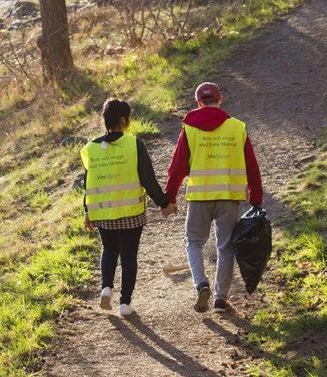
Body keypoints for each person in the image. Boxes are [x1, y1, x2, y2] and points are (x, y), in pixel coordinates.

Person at [165, 82, 263, 313]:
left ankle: (201, 284)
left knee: (193, 242)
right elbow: (252, 165)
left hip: (199, 196)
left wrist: (169, 197)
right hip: (229, 197)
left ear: (198, 102)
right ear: (220, 100)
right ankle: (220, 299)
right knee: (225, 247)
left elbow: (177, 168)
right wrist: (255, 196)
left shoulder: (189, 128)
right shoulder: (237, 128)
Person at [82, 98, 176, 316]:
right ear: (124, 119)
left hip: (102, 212)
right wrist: (164, 203)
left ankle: (106, 288)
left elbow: (89, 183)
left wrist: (87, 211)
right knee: (128, 256)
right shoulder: (133, 144)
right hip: (130, 212)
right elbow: (148, 179)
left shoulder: (91, 149)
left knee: (109, 250)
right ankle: (125, 304)